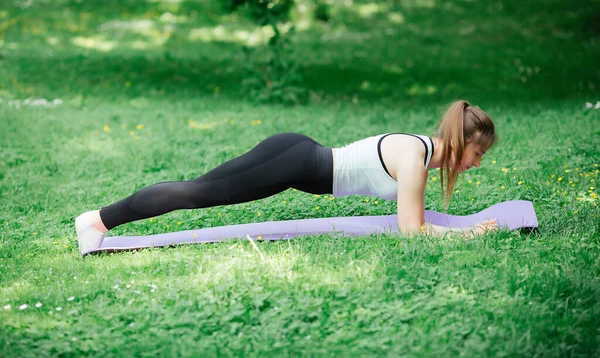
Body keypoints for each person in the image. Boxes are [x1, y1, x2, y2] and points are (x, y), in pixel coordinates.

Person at [75, 100, 498, 255]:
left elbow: (414, 225)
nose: (477, 163)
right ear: (461, 142)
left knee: (199, 190)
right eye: (477, 153)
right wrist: (470, 234)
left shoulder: (420, 153)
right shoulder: (415, 158)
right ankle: (96, 222)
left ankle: (97, 222)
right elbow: (413, 230)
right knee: (197, 193)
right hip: (294, 162)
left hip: (296, 155)